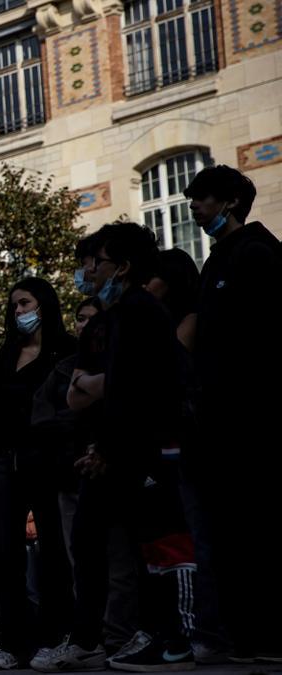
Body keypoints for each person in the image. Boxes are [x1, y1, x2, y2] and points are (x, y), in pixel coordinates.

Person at [35, 222, 195, 672]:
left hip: (146, 447)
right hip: (115, 447)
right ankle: (103, 636)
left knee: (161, 545)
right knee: (90, 540)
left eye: (97, 262)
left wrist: (106, 445)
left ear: (122, 267)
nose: (89, 271)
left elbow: (133, 388)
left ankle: (174, 639)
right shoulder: (118, 316)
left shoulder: (142, 312)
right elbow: (92, 391)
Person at [185, 166, 281, 663]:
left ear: (227, 202)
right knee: (232, 534)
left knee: (257, 527)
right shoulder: (218, 260)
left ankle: (266, 635)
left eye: (202, 199)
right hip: (221, 422)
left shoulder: (257, 255)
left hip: (253, 421)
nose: (195, 208)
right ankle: (244, 634)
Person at [0, 277, 77, 669]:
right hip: (6, 461)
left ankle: (56, 635)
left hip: (47, 462)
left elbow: (58, 408)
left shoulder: (64, 351)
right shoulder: (8, 352)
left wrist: (16, 409)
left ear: (44, 305)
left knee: (53, 551)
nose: (19, 312)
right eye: (15, 305)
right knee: (4, 552)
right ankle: (12, 640)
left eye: (26, 303)